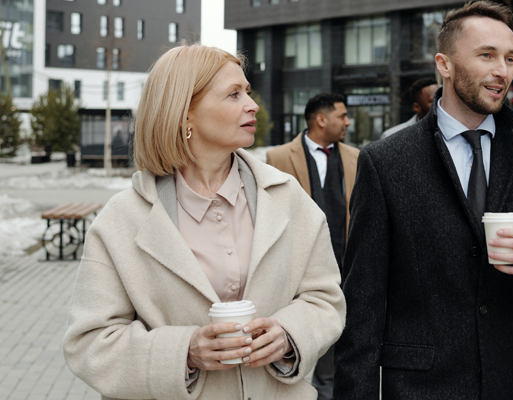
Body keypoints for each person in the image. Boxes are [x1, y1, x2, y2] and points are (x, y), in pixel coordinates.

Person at [334, 2, 513, 399]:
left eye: (509, 58)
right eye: (486, 55)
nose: (502, 71)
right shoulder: (385, 162)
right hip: (421, 388)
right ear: (445, 64)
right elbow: (363, 305)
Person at [63, 44, 345, 400]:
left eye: (248, 91)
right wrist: (185, 352)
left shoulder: (288, 198)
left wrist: (290, 334)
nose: (252, 104)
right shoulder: (122, 219)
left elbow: (325, 298)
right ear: (185, 114)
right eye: (233, 94)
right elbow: (89, 344)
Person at [266, 93, 359, 400]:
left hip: (346, 261)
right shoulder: (278, 158)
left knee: (338, 331)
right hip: (299, 265)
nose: (348, 121)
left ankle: (328, 388)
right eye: (342, 116)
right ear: (321, 120)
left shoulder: (356, 158)